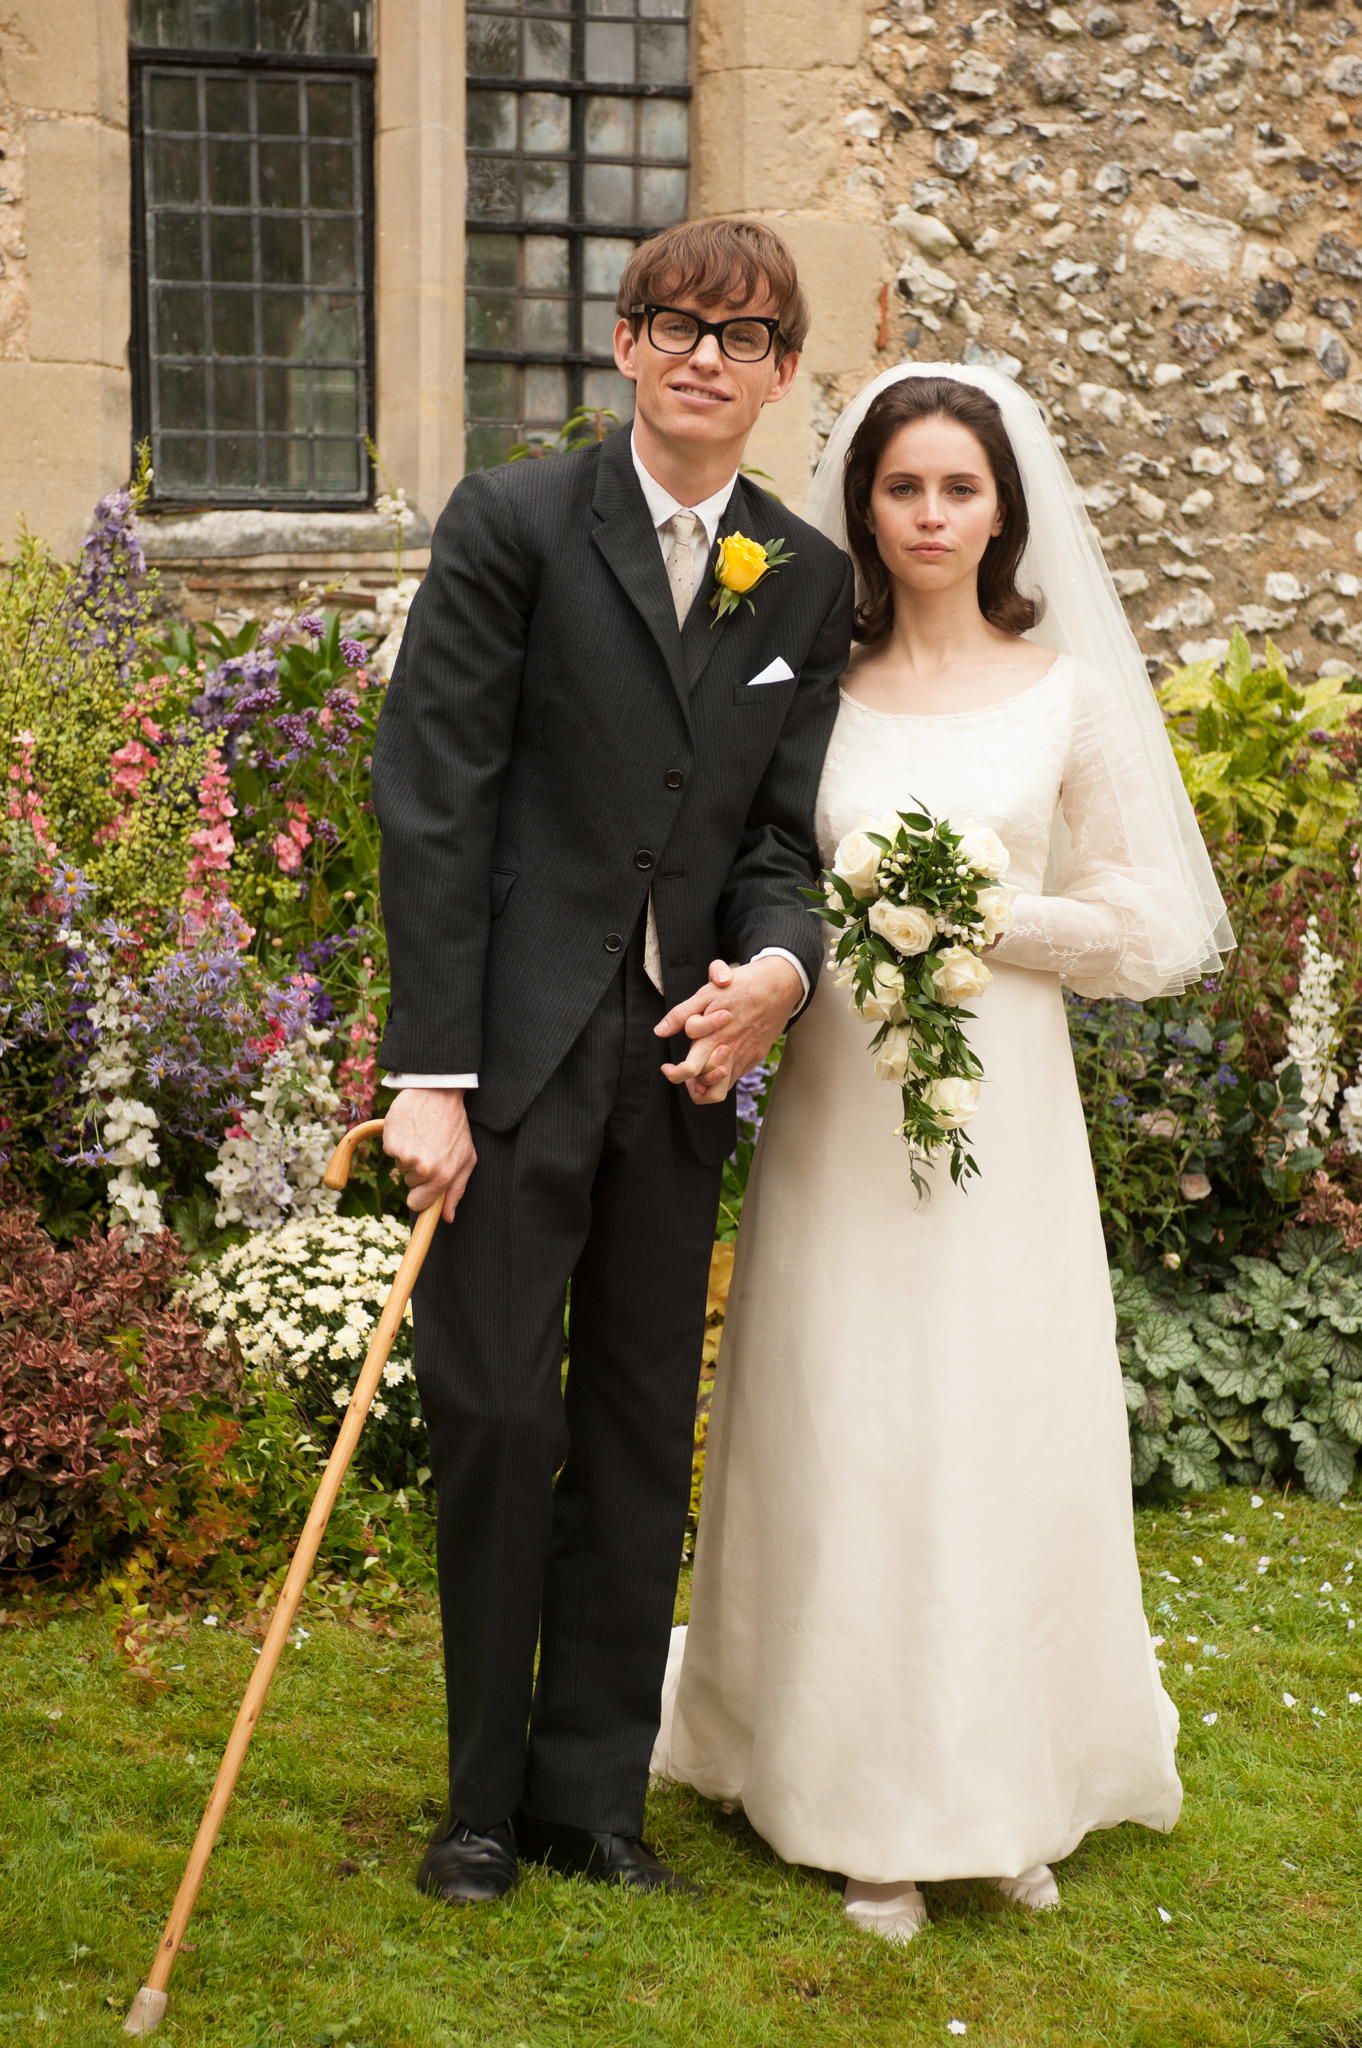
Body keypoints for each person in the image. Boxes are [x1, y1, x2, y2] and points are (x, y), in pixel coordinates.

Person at [651, 364, 1234, 1942]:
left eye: (955, 490)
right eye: (900, 489)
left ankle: (1008, 1780)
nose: (925, 516)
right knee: (849, 1416)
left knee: (992, 1424)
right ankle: (857, 1793)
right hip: (841, 1113)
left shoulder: (1067, 695)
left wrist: (982, 921)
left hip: (1006, 1127)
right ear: (864, 506)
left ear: (1000, 508)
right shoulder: (809, 684)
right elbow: (745, 863)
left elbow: (1151, 928)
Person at [371, 217, 855, 1904]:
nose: (705, 357)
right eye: (674, 324)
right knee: (500, 1412)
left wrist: (778, 976)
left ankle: (591, 1799)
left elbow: (780, 834)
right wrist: (426, 1071)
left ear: (783, 371)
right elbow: (433, 803)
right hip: (508, 1055)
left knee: (643, 1419)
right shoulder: (512, 523)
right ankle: (481, 1803)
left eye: (742, 336)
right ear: (627, 346)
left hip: (681, 1064)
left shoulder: (804, 575)